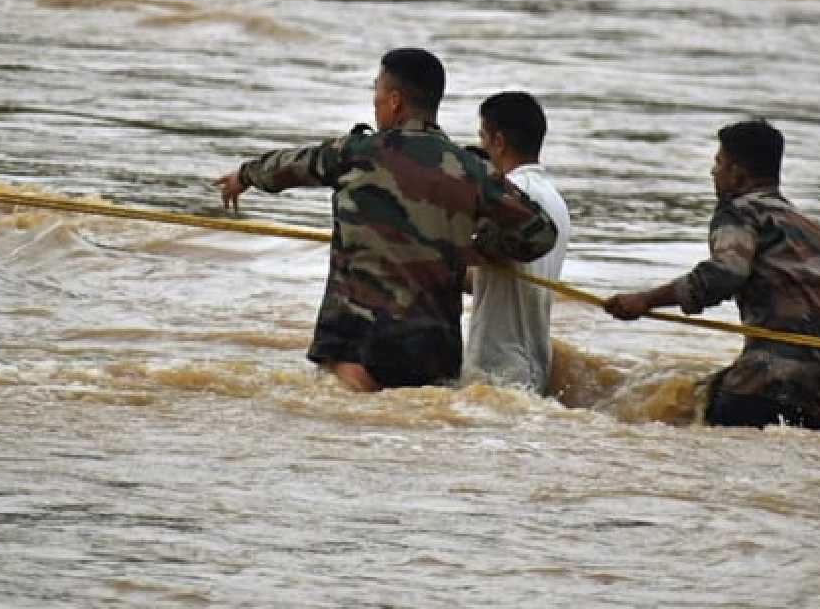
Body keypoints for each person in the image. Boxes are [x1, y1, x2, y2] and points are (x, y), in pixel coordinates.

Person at [215, 48, 558, 392]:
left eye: (375, 90)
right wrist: (477, 248)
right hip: (433, 354)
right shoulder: (472, 170)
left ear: (395, 101)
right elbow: (540, 234)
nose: (373, 101)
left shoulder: (356, 153)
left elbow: (291, 166)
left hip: (358, 344)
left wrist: (243, 177)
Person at [604, 119, 820, 429]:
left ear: (737, 172)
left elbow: (725, 274)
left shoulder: (739, 212)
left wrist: (644, 300)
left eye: (719, 162)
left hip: (771, 379)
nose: (713, 172)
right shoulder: (810, 226)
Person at [463, 92, 570, 392]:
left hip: (496, 368)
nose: (482, 146)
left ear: (498, 142)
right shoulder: (555, 201)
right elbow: (502, 273)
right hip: (534, 366)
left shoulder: (509, 199)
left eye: (483, 136)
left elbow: (472, 254)